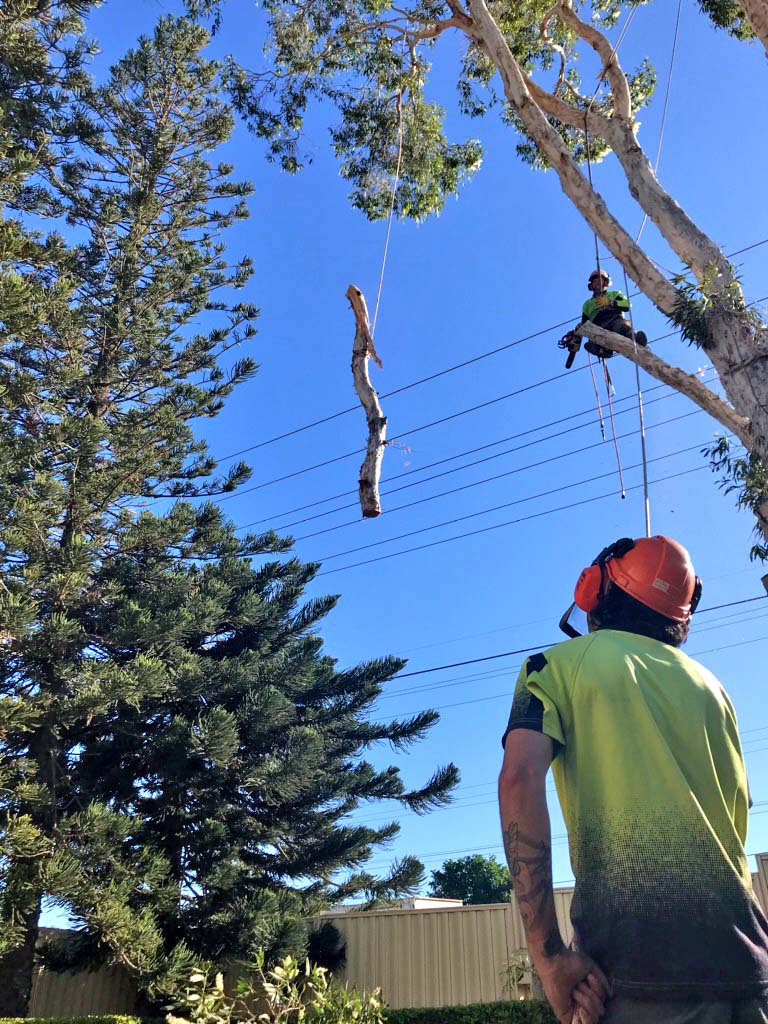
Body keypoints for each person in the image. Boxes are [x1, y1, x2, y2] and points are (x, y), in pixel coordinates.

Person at [498, 535, 768, 1023]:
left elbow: (519, 780)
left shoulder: (552, 668)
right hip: (750, 969)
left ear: (594, 590)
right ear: (680, 616)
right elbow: (739, 810)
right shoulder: (714, 689)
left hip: (638, 976)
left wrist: (549, 958)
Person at [563, 268, 647, 362]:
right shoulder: (587, 304)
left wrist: (610, 302)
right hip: (598, 326)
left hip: (614, 319)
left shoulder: (614, 294)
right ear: (591, 285)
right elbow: (584, 324)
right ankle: (603, 350)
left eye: (599, 280)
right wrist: (575, 336)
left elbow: (627, 305)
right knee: (593, 337)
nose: (597, 283)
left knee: (621, 327)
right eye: (594, 281)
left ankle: (636, 339)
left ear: (605, 282)